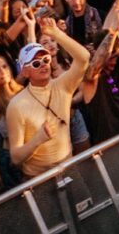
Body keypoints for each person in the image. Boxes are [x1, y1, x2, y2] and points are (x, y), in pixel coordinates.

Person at [6, 19, 98, 178]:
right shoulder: (16, 105)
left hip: (68, 168)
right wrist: (38, 139)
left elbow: (83, 57)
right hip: (38, 179)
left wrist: (55, 33)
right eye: (36, 63)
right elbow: (15, 157)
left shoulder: (62, 85)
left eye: (46, 60)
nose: (43, 64)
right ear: (25, 72)